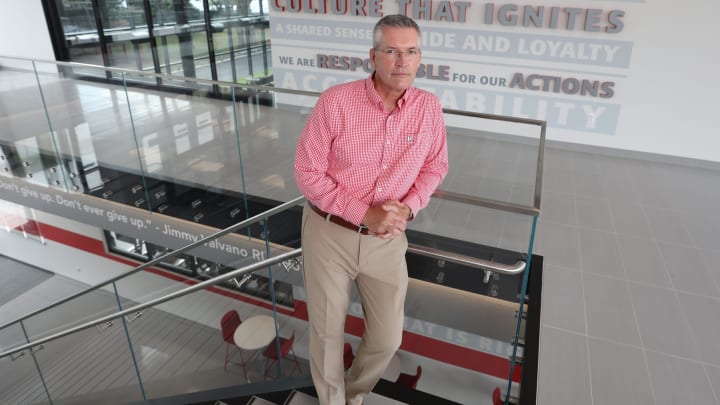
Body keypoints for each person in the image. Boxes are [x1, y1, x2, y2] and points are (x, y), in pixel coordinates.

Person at [294, 14, 449, 405]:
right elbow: (307, 172)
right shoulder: (337, 102)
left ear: (420, 57)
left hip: (387, 239)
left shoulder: (428, 108)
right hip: (329, 233)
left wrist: (408, 210)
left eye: (410, 51)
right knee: (327, 333)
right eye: (391, 51)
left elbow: (435, 166)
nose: (402, 61)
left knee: (386, 338)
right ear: (373, 57)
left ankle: (353, 392)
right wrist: (365, 212)